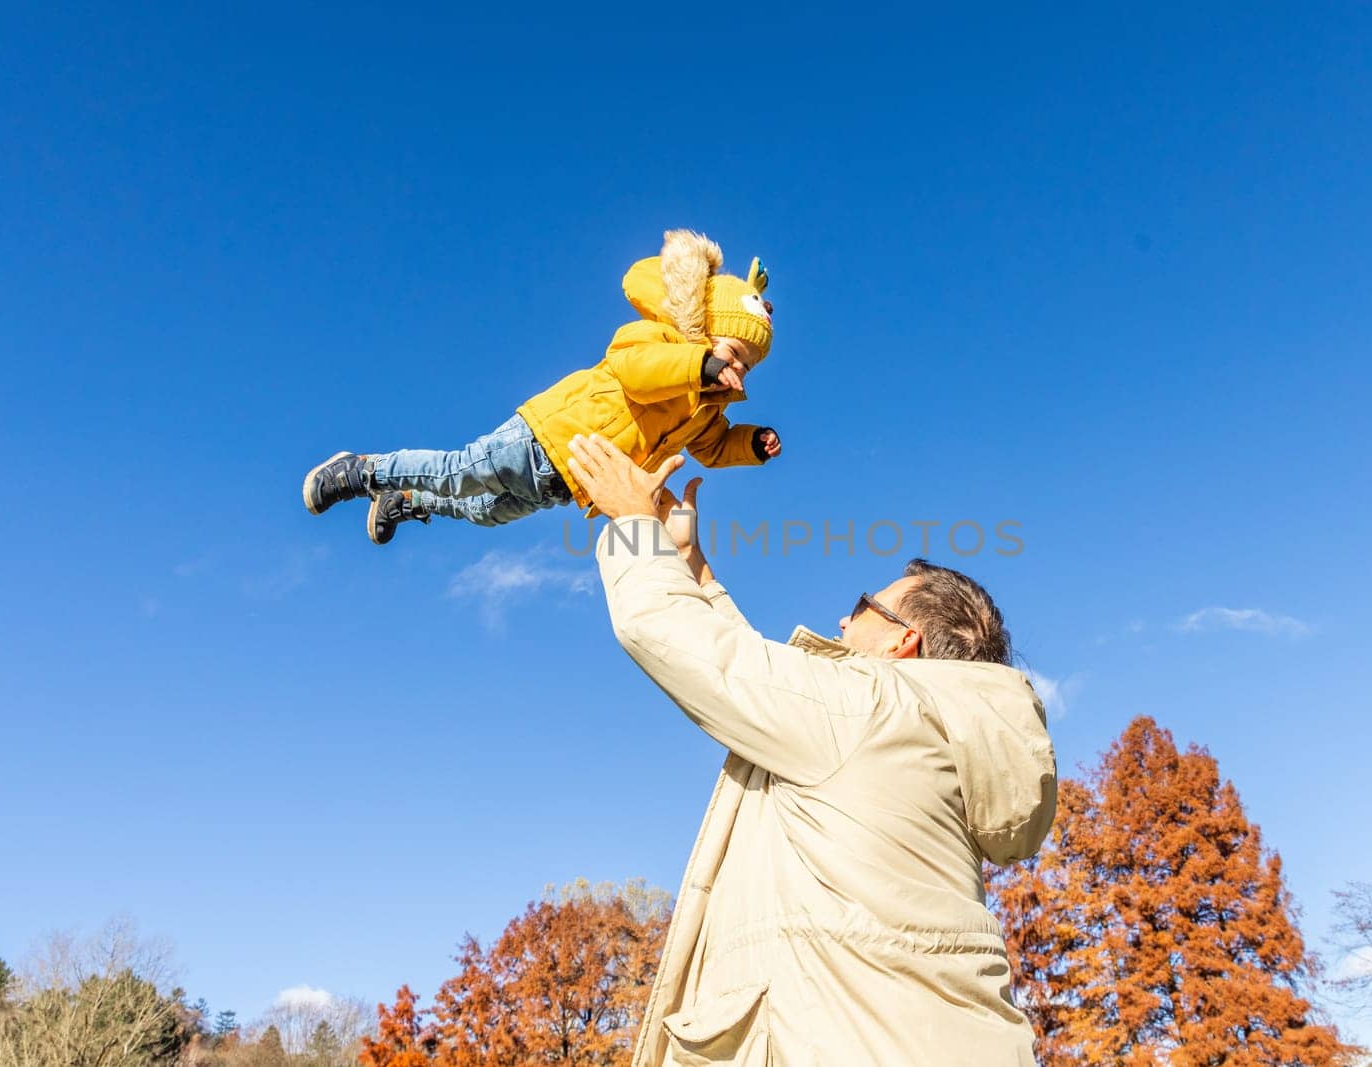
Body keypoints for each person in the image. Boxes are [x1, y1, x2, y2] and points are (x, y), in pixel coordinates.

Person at [566, 433, 1057, 1066]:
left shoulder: (872, 709)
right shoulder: (927, 731)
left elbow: (674, 637)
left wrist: (633, 523)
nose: (845, 621)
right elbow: (770, 694)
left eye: (862, 607)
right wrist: (696, 570)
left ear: (903, 642)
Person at [299, 230, 783, 544]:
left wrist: (751, 443)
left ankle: (406, 502)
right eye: (733, 352)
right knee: (457, 471)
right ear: (704, 330)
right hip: (544, 437)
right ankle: (362, 470)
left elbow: (713, 446)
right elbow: (636, 371)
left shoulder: (706, 411)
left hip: (567, 481)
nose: (736, 367)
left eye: (746, 364)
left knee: (486, 511)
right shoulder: (660, 341)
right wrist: (698, 364)